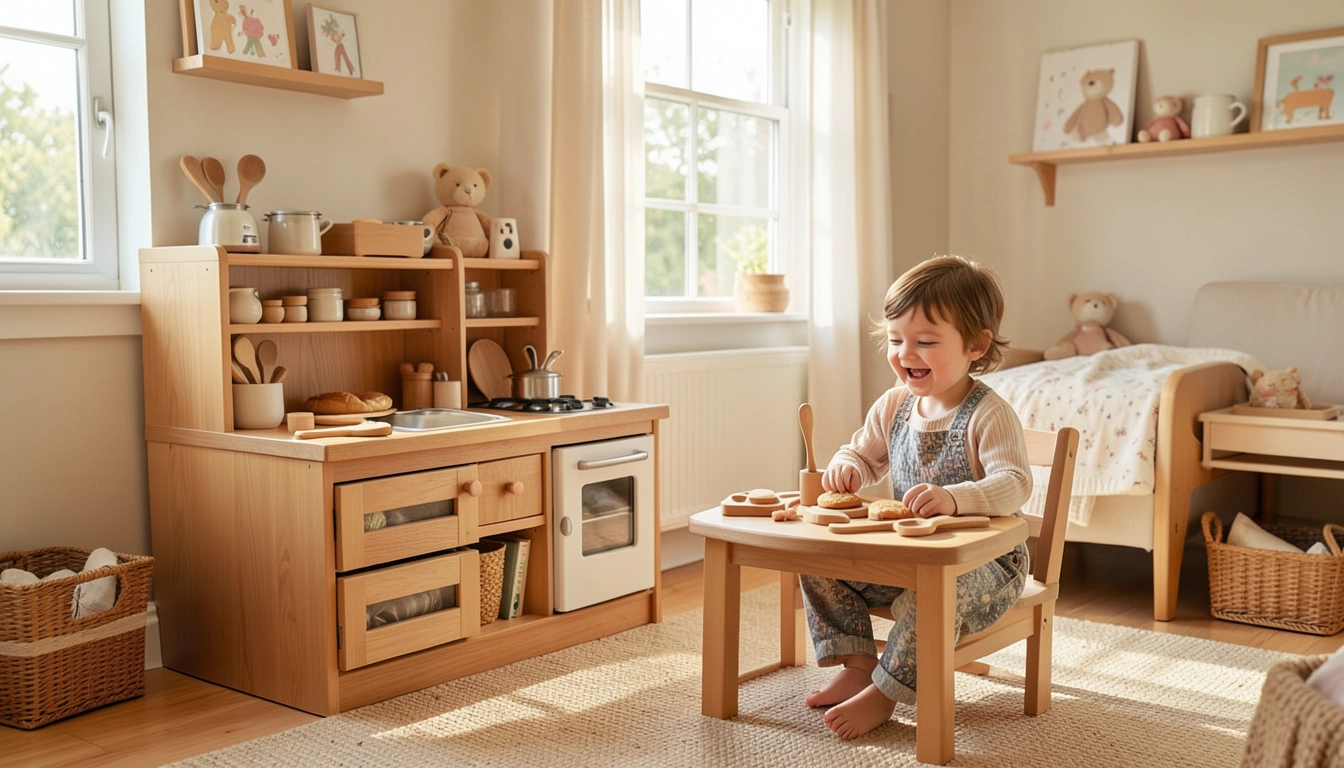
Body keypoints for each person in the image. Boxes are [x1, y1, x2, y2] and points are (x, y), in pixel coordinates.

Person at [802, 254, 1033, 740]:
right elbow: (862, 453)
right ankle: (860, 663)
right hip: (909, 555)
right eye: (895, 340)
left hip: (986, 565)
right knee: (816, 557)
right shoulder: (894, 404)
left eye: (925, 342)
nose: (906, 352)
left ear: (976, 345)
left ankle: (887, 694)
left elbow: (1015, 482)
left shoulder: (989, 414)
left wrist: (956, 499)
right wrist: (849, 467)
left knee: (928, 598)